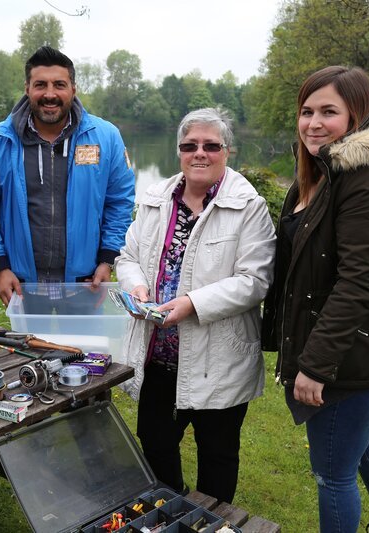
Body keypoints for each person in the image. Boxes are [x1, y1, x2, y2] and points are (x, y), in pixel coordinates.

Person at [261, 66, 369, 533]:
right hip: (356, 348)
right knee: (367, 448)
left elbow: (360, 281)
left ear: (356, 115)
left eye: (328, 112)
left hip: (361, 353)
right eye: (306, 111)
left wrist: (316, 365)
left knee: (333, 473)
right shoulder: (321, 173)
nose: (313, 123)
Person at [115, 108, 276, 503]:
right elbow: (128, 256)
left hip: (218, 360)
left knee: (218, 455)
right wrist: (137, 287)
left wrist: (191, 303)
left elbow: (254, 281)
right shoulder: (155, 199)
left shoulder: (249, 206)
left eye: (211, 146)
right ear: (179, 152)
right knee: (155, 444)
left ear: (227, 151)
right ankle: (170, 510)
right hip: (158, 356)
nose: (199, 153)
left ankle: (213, 521)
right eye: (189, 146)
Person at [0, 46, 135, 306]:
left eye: (59, 85)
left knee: (82, 338)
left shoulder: (106, 137)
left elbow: (119, 203)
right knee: (28, 337)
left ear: (73, 89)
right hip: (22, 284)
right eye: (40, 85)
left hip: (85, 282)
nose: (50, 94)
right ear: (27, 88)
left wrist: (107, 259)